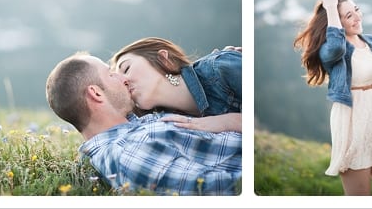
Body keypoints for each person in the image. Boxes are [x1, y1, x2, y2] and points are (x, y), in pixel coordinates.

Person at [45, 52, 241, 195]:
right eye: (111, 74)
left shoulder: (133, 126)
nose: (123, 79)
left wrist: (228, 62)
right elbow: (223, 190)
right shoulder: (129, 153)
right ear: (96, 93)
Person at [293, 0, 372, 196]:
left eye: (356, 10)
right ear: (336, 21)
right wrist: (330, 9)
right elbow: (336, 45)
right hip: (352, 126)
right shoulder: (331, 49)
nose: (357, 17)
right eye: (348, 16)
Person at [109, 37, 241, 133]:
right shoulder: (170, 126)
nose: (123, 81)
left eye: (126, 68)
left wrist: (227, 122)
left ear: (164, 60)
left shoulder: (219, 68)